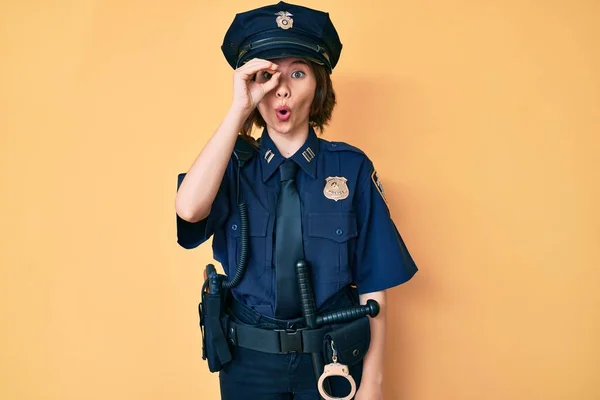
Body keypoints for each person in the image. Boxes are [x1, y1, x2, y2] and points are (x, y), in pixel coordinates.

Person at [175, 2, 418, 399]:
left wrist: (372, 382)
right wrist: (239, 109)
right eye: (268, 75)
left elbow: (374, 282)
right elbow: (189, 209)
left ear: (318, 86)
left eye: (298, 73)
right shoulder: (231, 165)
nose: (282, 88)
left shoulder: (351, 168)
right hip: (248, 361)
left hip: (333, 356)